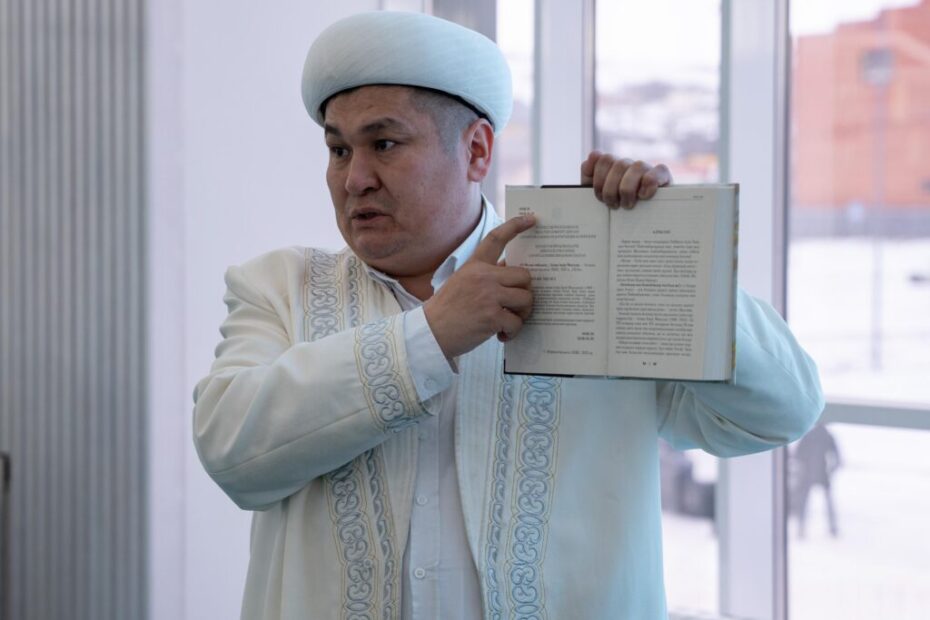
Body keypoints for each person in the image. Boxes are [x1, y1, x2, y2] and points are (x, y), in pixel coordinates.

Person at [192, 11, 824, 619]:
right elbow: (232, 455)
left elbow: (783, 411)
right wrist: (431, 336)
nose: (354, 178)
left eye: (383, 143)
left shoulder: (593, 278)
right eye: (337, 150)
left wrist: (665, 252)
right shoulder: (280, 288)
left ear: (476, 150)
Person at [791, 423, 841, 538]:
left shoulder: (815, 435)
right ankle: (803, 529)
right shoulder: (823, 435)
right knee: (804, 503)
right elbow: (798, 455)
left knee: (807, 503)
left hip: (816, 473)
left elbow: (797, 455)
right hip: (814, 474)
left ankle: (803, 529)